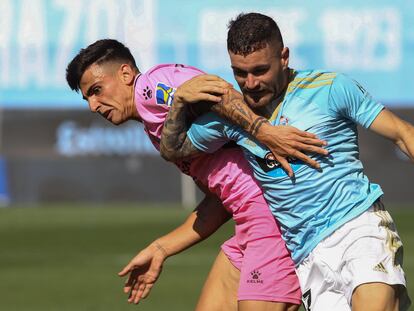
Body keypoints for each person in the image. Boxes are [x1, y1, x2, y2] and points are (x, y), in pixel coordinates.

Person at [159, 12, 414, 311]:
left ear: (284, 57)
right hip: (307, 253)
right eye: (240, 73)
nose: (250, 83)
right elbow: (173, 149)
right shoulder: (230, 117)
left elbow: (402, 133)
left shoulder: (329, 88)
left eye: (260, 70)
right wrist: (179, 103)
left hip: (358, 226)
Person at [65, 39, 328, 310]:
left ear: (125, 74)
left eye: (97, 90)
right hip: (250, 221)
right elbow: (220, 201)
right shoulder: (153, 117)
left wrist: (265, 132)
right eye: (88, 98)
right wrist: (161, 248)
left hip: (272, 215)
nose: (93, 106)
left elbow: (219, 93)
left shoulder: (150, 89)